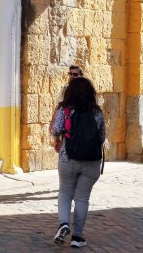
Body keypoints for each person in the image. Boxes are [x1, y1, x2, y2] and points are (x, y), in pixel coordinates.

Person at [50, 76, 104, 248]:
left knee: (65, 192)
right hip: (91, 161)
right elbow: (102, 136)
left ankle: (63, 223)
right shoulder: (97, 112)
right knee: (82, 198)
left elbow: (56, 129)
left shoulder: (64, 110)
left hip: (68, 158)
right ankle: (77, 237)